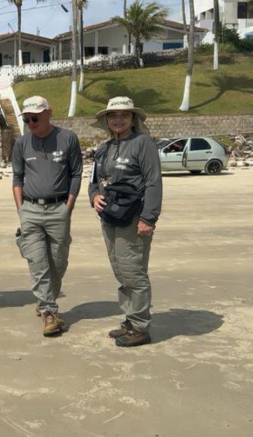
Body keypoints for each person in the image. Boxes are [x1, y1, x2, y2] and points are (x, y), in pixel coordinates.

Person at [88, 96, 162, 347]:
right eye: (113, 115)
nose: (118, 119)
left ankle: (140, 327)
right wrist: (94, 196)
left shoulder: (143, 144)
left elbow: (153, 182)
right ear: (106, 120)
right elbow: (94, 181)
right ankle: (131, 319)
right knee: (120, 270)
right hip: (110, 217)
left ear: (133, 118)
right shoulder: (104, 148)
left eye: (124, 115)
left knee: (133, 271)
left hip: (134, 219)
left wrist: (148, 217)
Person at [11, 96, 83, 335]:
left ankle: (45, 300)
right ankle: (49, 311)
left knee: (58, 262)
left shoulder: (68, 138)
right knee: (37, 262)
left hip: (59, 209)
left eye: (35, 118)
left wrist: (68, 205)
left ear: (48, 113)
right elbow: (17, 177)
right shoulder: (21, 143)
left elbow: (76, 173)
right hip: (30, 211)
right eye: (27, 119)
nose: (31, 123)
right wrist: (21, 209)